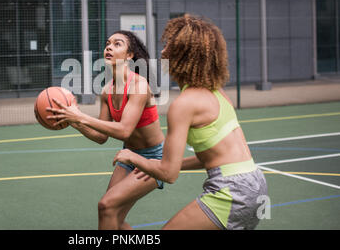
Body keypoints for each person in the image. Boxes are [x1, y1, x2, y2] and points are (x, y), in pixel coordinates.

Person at [113, 14, 268, 230]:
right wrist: (153, 165)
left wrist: (133, 157)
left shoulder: (184, 105)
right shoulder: (217, 93)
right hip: (256, 184)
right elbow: (210, 155)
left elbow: (169, 174)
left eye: (169, 47)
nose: (163, 51)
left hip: (231, 190)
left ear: (183, 56)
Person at [46, 30, 165, 230]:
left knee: (106, 205)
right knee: (112, 215)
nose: (109, 47)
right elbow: (101, 137)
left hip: (154, 159)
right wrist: (74, 121)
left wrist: (81, 116)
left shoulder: (139, 85)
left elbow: (124, 130)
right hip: (129, 155)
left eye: (117, 44)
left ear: (129, 55)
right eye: (108, 43)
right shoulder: (106, 90)